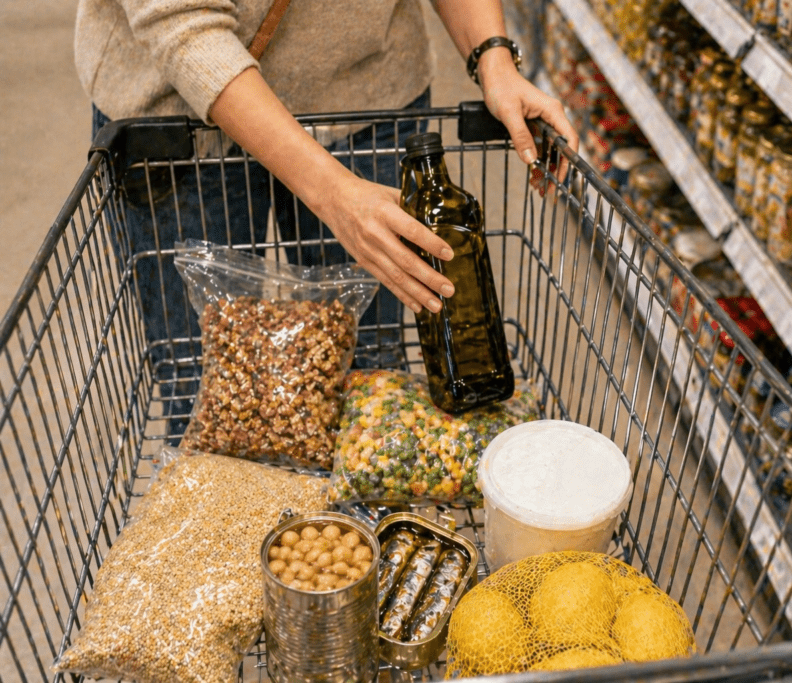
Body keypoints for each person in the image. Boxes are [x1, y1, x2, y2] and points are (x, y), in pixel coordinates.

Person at [74, 0, 578, 435]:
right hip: (178, 120)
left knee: (369, 384)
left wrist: (492, 56)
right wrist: (335, 195)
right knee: (212, 395)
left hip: (369, 97)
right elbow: (180, 18)